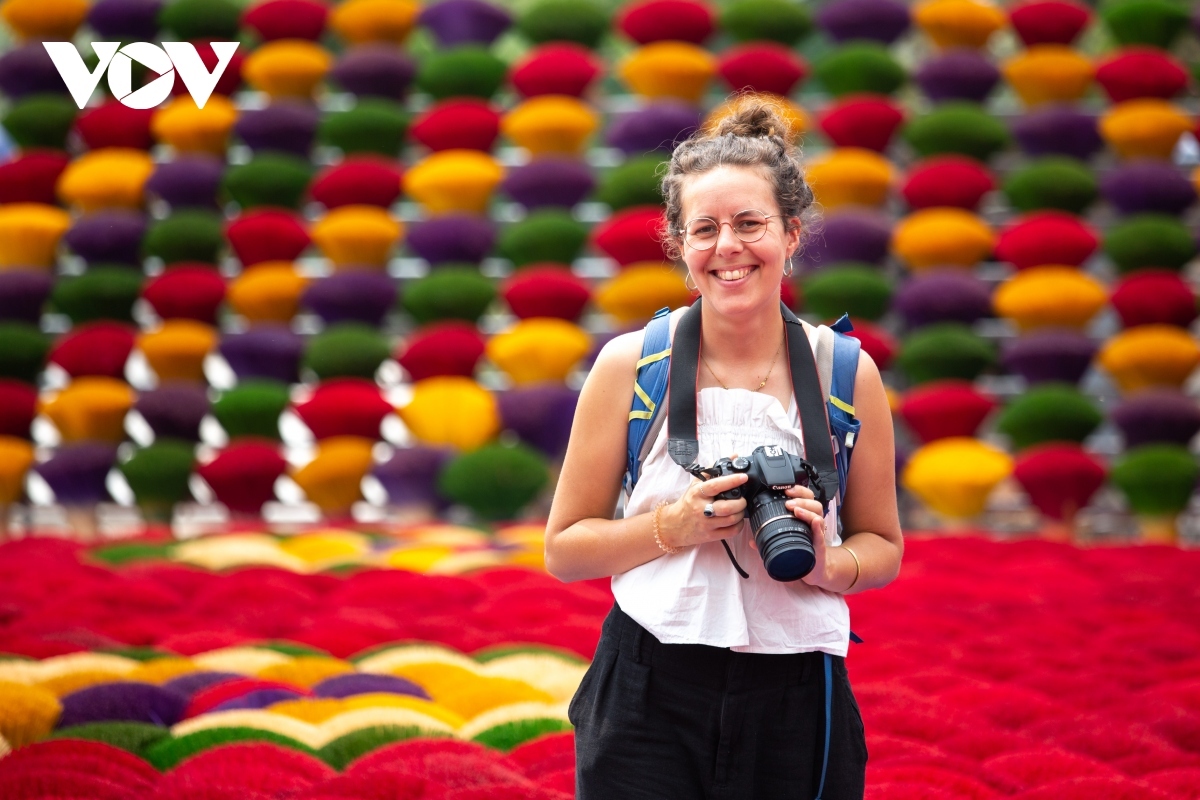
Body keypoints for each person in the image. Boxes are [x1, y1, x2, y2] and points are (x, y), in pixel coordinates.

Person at [544, 95, 903, 800]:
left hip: (799, 691)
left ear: (791, 234)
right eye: (703, 229)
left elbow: (883, 546)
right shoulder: (631, 366)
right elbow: (563, 549)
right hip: (648, 687)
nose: (727, 248)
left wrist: (830, 565)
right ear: (678, 245)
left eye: (750, 224)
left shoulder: (844, 373)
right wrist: (670, 528)